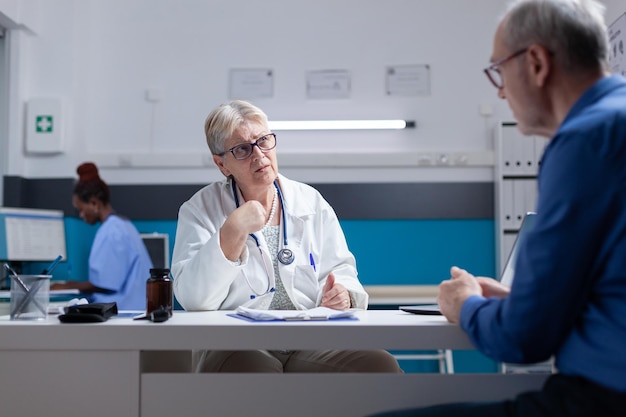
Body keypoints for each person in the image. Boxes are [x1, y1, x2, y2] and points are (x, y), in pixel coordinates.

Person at [370, 0, 626, 416]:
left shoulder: (584, 141)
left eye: (500, 70)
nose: (502, 91)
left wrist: (467, 305)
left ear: (537, 63)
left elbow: (524, 340)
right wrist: (525, 301)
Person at [172, 99, 401, 373]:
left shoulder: (310, 201)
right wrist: (232, 231)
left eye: (264, 141)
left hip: (307, 338)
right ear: (222, 164)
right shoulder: (200, 210)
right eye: (242, 149)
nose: (259, 155)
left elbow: (341, 268)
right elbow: (194, 300)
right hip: (236, 341)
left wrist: (344, 293)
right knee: (257, 372)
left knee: (379, 365)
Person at [51, 162, 153, 310]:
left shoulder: (112, 230)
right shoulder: (123, 223)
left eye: (81, 209)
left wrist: (67, 286)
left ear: (94, 203)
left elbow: (105, 284)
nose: (81, 215)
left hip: (126, 312)